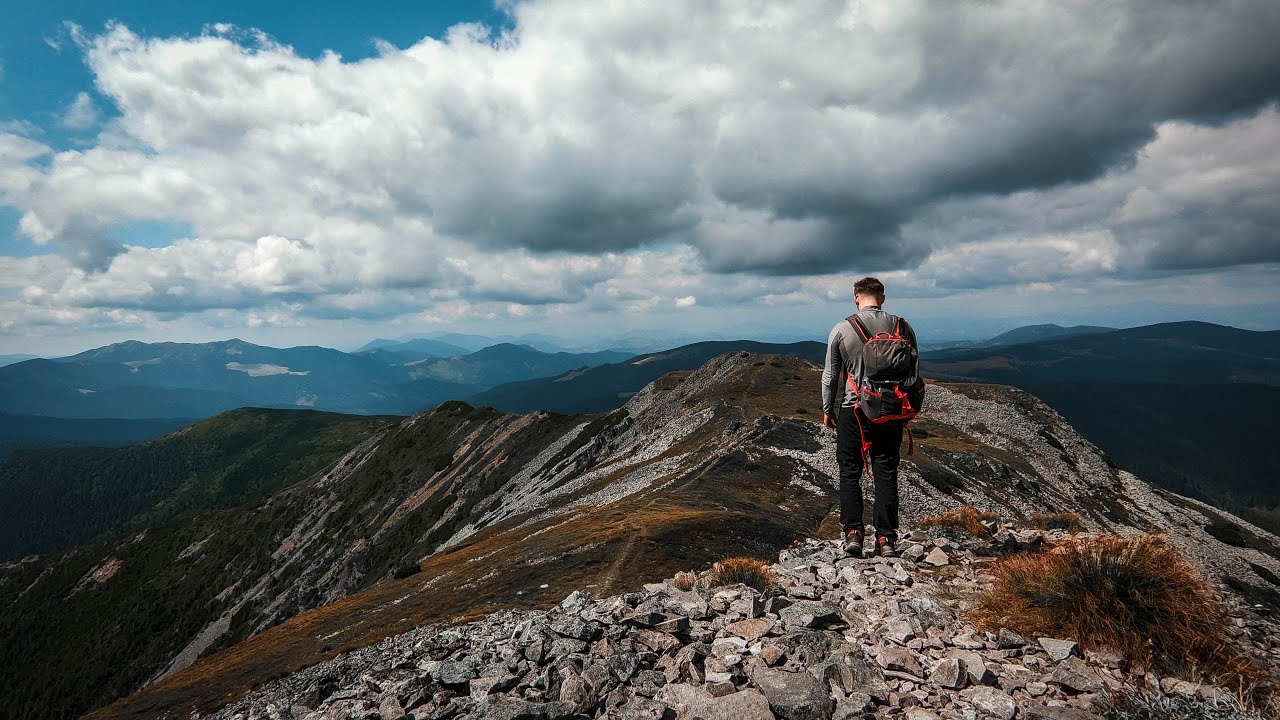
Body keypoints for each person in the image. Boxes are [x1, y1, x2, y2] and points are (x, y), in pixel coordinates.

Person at [821, 276, 921, 558]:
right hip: (890, 411)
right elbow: (913, 374)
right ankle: (886, 539)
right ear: (883, 298)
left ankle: (853, 534)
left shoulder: (843, 328)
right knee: (886, 472)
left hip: (853, 410)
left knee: (850, 471)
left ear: (856, 298)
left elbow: (830, 376)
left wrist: (827, 409)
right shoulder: (903, 327)